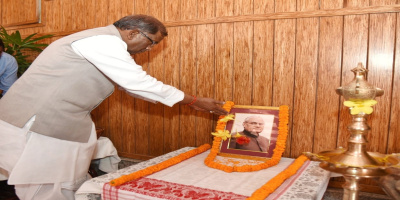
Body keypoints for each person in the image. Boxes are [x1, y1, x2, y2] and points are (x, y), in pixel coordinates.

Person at [0, 15, 227, 200]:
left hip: (60, 117)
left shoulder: (103, 41)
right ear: (133, 33)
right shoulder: (104, 41)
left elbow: (132, 87)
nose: (149, 50)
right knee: (45, 180)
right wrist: (194, 101)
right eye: (151, 43)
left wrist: (189, 102)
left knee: (65, 170)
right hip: (41, 118)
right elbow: (138, 83)